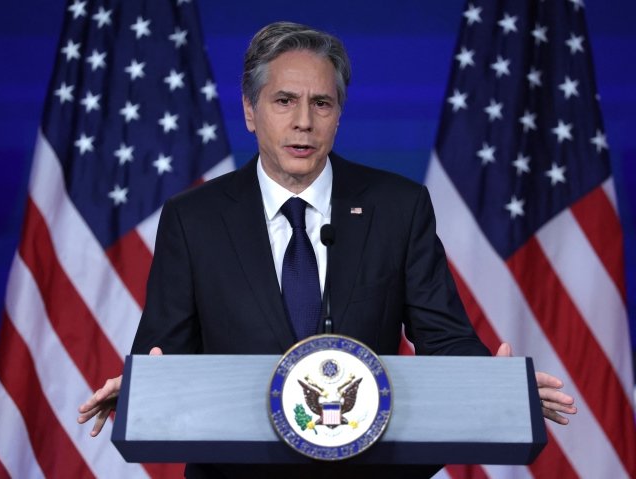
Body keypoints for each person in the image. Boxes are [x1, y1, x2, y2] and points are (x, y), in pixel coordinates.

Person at [78, 21, 576, 478]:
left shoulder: (397, 207)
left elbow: (443, 337)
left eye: (321, 104)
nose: (304, 122)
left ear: (338, 115)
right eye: (283, 101)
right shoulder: (194, 219)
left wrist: (494, 383)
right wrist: (142, 387)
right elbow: (163, 350)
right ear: (250, 111)